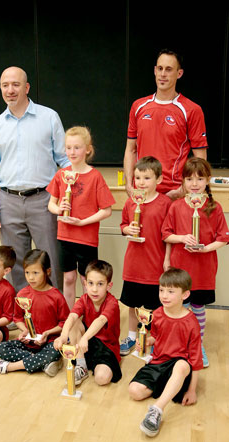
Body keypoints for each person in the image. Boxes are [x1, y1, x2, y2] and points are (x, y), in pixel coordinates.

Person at [0, 66, 69, 295]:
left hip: (44, 201)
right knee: (15, 265)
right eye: (5, 85)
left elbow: (65, 160)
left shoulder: (48, 117)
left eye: (16, 84)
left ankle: (55, 315)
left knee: (49, 260)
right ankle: (22, 316)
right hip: (8, 202)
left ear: (27, 87)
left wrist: (68, 195)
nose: (10, 90)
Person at [162, 157, 229, 367]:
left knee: (198, 307)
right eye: (189, 178)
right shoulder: (176, 207)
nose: (194, 183)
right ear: (183, 181)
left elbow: (223, 237)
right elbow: (166, 234)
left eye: (199, 179)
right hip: (181, 267)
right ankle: (179, 345)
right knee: (181, 307)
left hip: (203, 269)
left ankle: (197, 346)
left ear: (208, 180)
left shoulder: (214, 207)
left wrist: (205, 248)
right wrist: (182, 238)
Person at [123, 49, 208, 200]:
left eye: (169, 70)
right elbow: (131, 149)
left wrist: (182, 190)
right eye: (160, 68)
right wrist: (129, 185)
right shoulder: (138, 106)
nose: (163, 74)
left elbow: (200, 159)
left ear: (179, 73)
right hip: (143, 192)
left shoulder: (192, 110)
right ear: (155, 71)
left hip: (173, 193)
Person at [128, 268, 203, 438]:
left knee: (182, 365)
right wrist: (147, 341)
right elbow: (155, 336)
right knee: (134, 391)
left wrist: (192, 390)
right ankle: (169, 388)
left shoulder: (191, 323)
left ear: (185, 295)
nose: (164, 295)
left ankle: (157, 409)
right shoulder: (158, 314)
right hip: (158, 363)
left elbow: (196, 359)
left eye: (170, 291)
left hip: (179, 367)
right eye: (161, 290)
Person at [47, 126, 115, 309]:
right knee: (68, 278)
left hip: (87, 238)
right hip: (65, 236)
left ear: (87, 149)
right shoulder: (61, 175)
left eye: (77, 147)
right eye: (68, 147)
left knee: (88, 280)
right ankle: (70, 316)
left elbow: (106, 210)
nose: (72, 152)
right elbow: (50, 204)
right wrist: (59, 209)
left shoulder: (95, 177)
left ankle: (88, 315)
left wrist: (83, 222)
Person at [0, 249, 70, 377]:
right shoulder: (22, 294)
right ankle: (42, 362)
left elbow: (64, 323)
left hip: (50, 342)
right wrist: (25, 331)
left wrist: (47, 333)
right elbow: (17, 318)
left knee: (54, 351)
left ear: (47, 272)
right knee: (0, 348)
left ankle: (9, 367)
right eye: (27, 272)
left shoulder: (56, 296)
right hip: (28, 343)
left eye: (35, 273)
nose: (30, 277)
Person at [119, 156, 171, 356]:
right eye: (138, 177)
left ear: (158, 179)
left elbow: (168, 235)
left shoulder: (165, 203)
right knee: (132, 304)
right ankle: (132, 336)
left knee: (155, 308)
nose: (141, 182)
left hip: (155, 265)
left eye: (146, 178)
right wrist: (127, 230)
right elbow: (123, 225)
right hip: (133, 265)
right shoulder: (131, 202)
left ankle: (155, 339)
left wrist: (167, 260)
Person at [54, 260, 122, 386]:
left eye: (100, 284)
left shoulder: (112, 303)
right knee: (74, 322)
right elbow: (71, 317)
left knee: (101, 379)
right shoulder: (84, 299)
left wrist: (84, 337)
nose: (94, 289)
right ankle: (82, 366)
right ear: (85, 284)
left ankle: (95, 365)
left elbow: (100, 320)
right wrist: (63, 336)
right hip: (86, 345)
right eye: (91, 283)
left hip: (106, 347)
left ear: (109, 286)